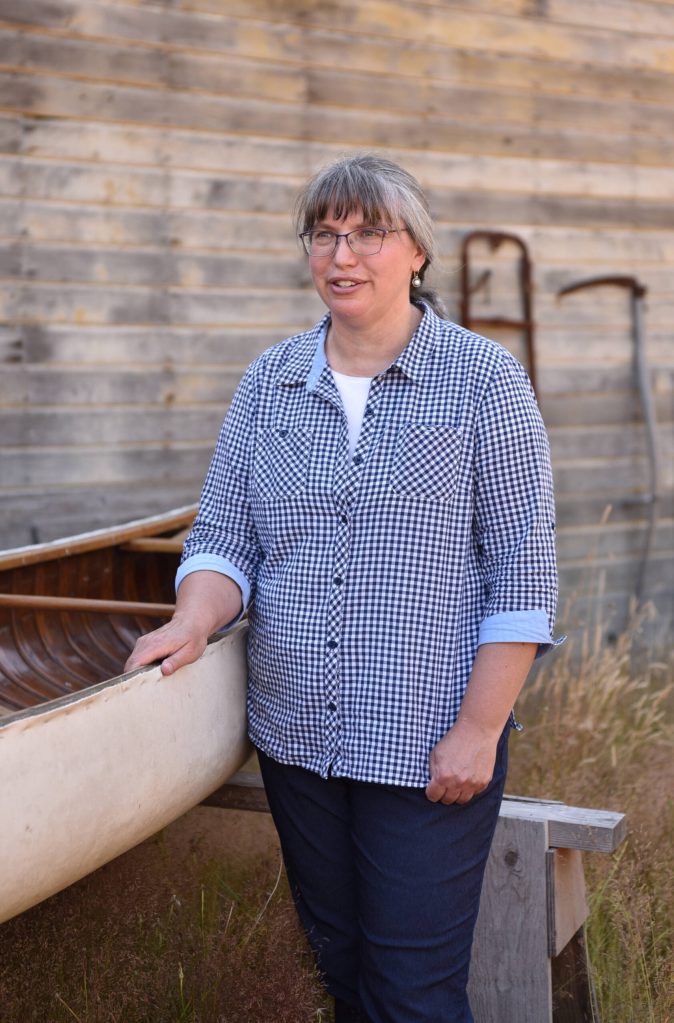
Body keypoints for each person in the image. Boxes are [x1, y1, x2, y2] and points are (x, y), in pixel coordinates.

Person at [126, 153, 559, 1023]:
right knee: (345, 981)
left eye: (369, 233)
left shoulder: (484, 383)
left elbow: (525, 570)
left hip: (428, 745)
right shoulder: (269, 383)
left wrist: (478, 729)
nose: (343, 255)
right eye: (324, 234)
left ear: (417, 254)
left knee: (414, 997)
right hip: (299, 742)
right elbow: (224, 537)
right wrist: (192, 617)